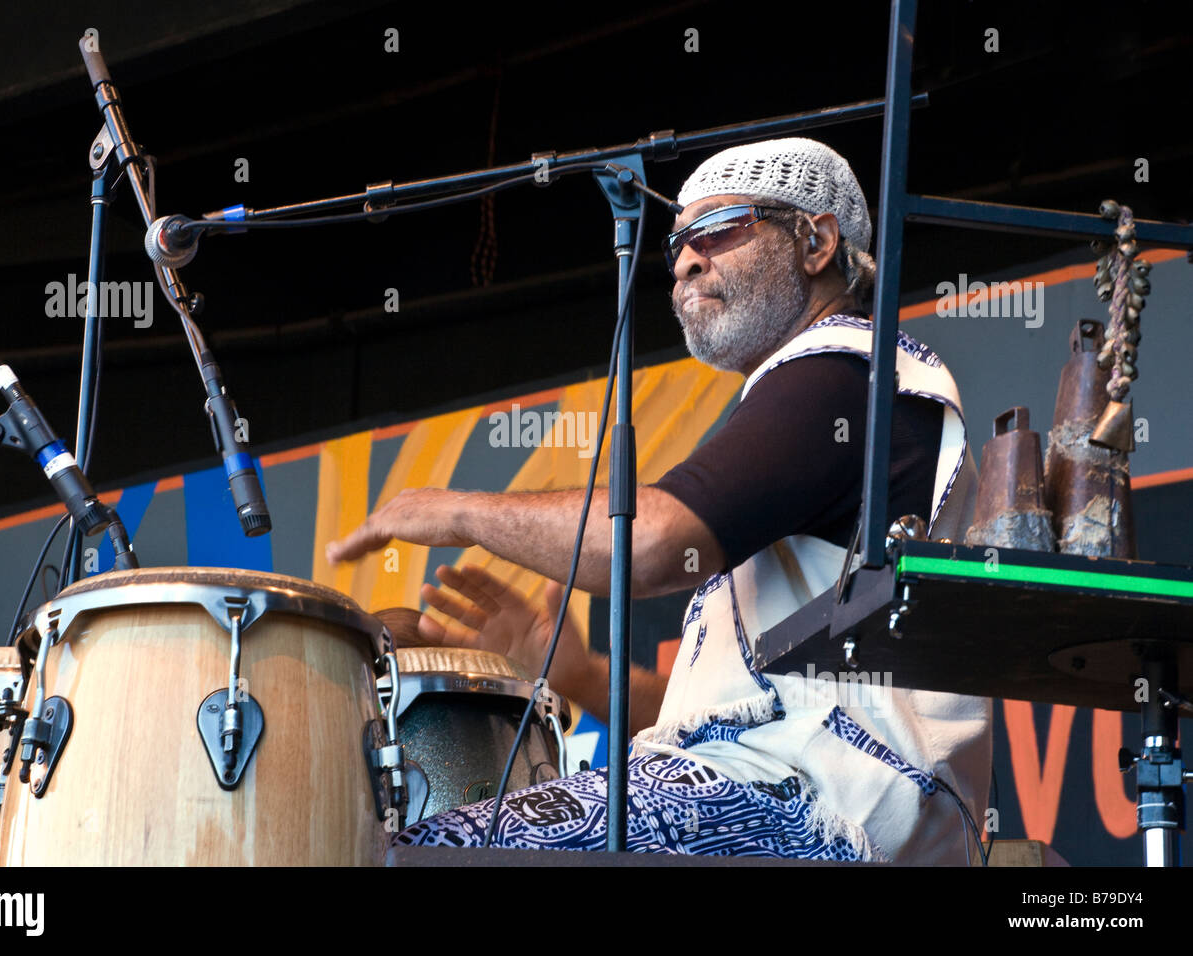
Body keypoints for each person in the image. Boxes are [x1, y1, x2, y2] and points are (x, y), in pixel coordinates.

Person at [328, 138, 991, 862]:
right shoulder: (817, 394)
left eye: (721, 230)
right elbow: (742, 721)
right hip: (790, 790)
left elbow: (651, 545)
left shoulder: (850, 368)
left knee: (429, 851)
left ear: (817, 241)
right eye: (678, 244)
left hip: (828, 811)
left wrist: (455, 513)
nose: (684, 262)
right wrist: (579, 678)